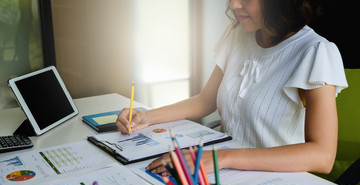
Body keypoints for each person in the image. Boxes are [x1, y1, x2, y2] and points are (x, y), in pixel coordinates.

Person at [116, 0, 348, 175]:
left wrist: (221, 158)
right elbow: (205, 100)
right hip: (225, 173)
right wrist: (145, 117)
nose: (234, 4)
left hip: (276, 181)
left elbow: (323, 156)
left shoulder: (315, 52)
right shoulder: (238, 34)